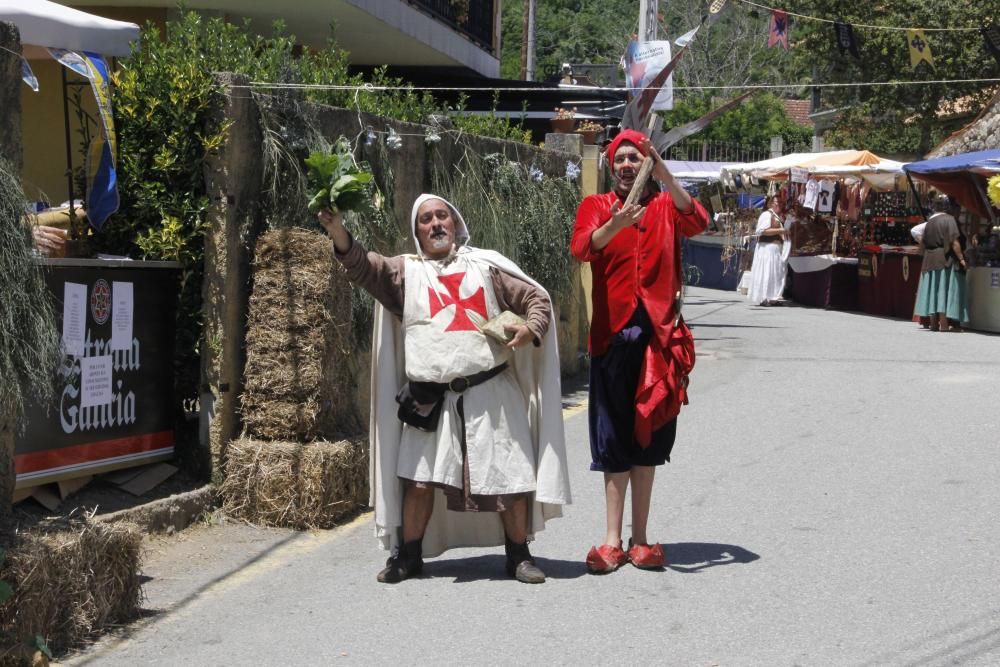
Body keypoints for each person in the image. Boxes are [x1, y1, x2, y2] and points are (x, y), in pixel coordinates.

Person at [317, 194, 570, 584]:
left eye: (442, 217)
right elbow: (364, 268)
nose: (436, 224)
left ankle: (518, 556)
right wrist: (338, 232)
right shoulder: (405, 274)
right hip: (430, 397)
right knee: (417, 481)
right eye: (426, 220)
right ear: (417, 232)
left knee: (510, 477)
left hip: (492, 393)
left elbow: (536, 298)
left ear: (456, 224)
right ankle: (409, 557)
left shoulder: (486, 268)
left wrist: (531, 327)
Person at [570, 129, 709, 573]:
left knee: (649, 439)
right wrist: (617, 223)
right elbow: (581, 248)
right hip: (612, 337)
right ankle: (611, 540)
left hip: (658, 338)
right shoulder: (596, 206)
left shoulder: (666, 205)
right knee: (613, 440)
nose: (628, 165)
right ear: (612, 166)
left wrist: (663, 171)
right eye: (621, 159)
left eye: (636, 158)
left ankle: (642, 539)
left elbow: (699, 220)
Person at [914, 194, 968, 331]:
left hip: (929, 259)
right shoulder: (949, 220)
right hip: (943, 259)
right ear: (948, 207)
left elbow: (923, 243)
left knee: (933, 290)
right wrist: (961, 259)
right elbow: (954, 242)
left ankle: (933, 323)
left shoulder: (930, 221)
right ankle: (943, 323)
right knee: (942, 290)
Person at [747, 196, 789, 306]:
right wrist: (781, 230)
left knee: (775, 273)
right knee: (767, 273)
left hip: (775, 249)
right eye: (776, 202)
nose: (779, 204)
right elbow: (762, 231)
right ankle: (764, 297)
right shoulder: (767, 215)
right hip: (767, 248)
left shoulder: (778, 217)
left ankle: (773, 298)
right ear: (770, 204)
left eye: (780, 202)